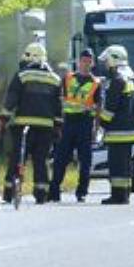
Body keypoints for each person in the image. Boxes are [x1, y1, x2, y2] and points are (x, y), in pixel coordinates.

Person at [0, 42, 62, 204]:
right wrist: (58, 127)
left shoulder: (22, 75)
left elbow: (11, 100)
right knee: (41, 161)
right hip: (46, 129)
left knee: (17, 159)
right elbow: (58, 107)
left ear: (29, 57)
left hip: (23, 126)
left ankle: (9, 193)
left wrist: (3, 121)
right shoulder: (55, 79)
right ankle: (41, 194)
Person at [49, 49, 102, 203]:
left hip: (85, 124)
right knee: (60, 159)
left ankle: (82, 192)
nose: (86, 63)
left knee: (85, 160)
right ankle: (54, 192)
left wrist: (96, 128)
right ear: (79, 61)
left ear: (92, 63)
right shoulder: (67, 78)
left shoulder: (96, 83)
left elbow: (98, 107)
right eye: (83, 60)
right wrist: (57, 123)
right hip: (68, 123)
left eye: (89, 61)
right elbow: (59, 101)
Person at [97, 45, 134, 205]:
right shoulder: (126, 78)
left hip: (119, 132)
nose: (105, 65)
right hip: (128, 131)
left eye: (106, 61)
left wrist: (99, 120)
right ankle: (125, 194)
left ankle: (118, 196)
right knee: (125, 165)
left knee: (117, 166)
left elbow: (109, 110)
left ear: (113, 61)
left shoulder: (117, 80)